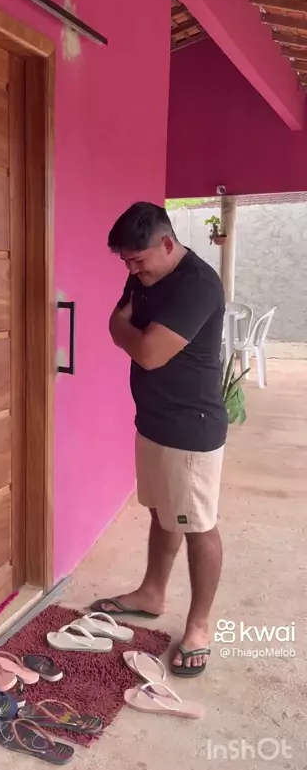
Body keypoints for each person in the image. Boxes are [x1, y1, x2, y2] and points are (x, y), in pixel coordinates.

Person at [91, 201, 227, 677]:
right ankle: (152, 592)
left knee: (198, 524)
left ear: (167, 244)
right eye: (125, 262)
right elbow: (121, 326)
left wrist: (123, 332)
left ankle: (199, 626)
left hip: (191, 427)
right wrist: (124, 331)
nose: (131, 271)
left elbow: (146, 351)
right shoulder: (143, 275)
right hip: (152, 420)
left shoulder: (198, 285)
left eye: (138, 260)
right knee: (161, 511)